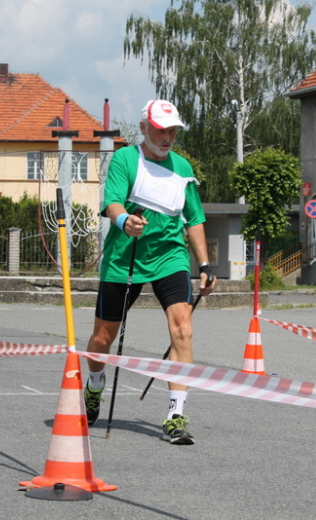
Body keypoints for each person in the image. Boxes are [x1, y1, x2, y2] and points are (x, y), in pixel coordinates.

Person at [84, 99, 217, 445]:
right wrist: (124, 219)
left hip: (169, 256)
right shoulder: (126, 159)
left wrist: (203, 264)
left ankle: (176, 414)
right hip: (124, 255)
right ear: (144, 127)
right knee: (102, 339)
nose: (167, 136)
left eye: (172, 130)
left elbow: (195, 219)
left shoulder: (182, 168)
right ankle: (95, 384)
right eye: (160, 129)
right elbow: (111, 201)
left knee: (183, 329)